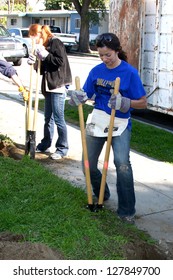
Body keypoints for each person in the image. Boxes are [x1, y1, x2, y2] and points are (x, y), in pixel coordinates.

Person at [69, 33, 147, 224]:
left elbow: (143, 103)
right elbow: (87, 93)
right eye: (101, 55)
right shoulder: (97, 71)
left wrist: (126, 102)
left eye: (108, 55)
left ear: (117, 51)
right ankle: (101, 193)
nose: (104, 59)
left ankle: (127, 210)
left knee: (122, 164)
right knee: (87, 163)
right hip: (99, 119)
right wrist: (78, 96)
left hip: (119, 123)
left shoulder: (129, 73)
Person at [27, 24, 72, 160]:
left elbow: (60, 62)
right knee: (48, 118)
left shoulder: (55, 42)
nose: (33, 41)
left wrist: (45, 55)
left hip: (58, 86)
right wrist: (35, 62)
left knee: (58, 118)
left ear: (40, 34)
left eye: (33, 37)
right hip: (47, 86)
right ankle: (45, 143)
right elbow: (42, 69)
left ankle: (62, 148)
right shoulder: (43, 46)